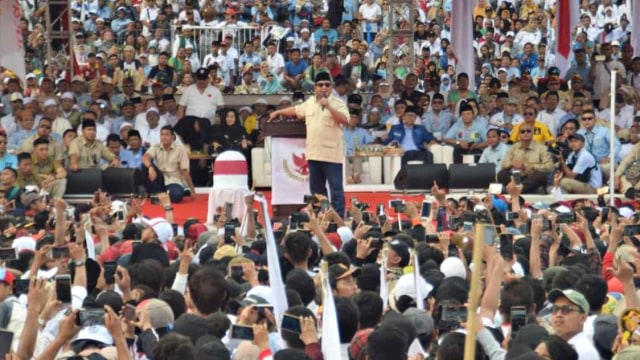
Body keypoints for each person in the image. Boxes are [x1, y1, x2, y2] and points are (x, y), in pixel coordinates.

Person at [268, 71, 349, 217]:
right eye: (320, 85)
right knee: (317, 192)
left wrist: (329, 107)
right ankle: (323, 216)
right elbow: (296, 110)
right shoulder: (310, 102)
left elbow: (345, 120)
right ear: (315, 88)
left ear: (331, 87)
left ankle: (338, 221)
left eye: (327, 85)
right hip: (314, 154)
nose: (324, 87)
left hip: (332, 155)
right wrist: (278, 113)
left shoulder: (338, 103)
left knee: (335, 190)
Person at [139, 125, 196, 203]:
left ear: (172, 137)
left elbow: (184, 171)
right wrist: (150, 167)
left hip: (173, 180)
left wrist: (192, 190)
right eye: (162, 134)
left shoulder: (180, 149)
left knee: (177, 195)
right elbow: (145, 157)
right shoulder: (156, 147)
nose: (164, 137)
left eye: (166, 135)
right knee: (145, 165)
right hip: (159, 179)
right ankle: (160, 194)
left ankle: (160, 195)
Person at [498, 122, 554, 193]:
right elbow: (503, 165)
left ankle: (518, 190)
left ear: (532, 133)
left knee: (540, 175)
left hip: (532, 177)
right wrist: (512, 163)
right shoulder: (513, 147)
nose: (525, 133)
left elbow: (550, 167)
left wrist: (533, 166)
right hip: (517, 177)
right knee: (501, 174)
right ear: (519, 134)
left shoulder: (542, 148)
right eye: (522, 131)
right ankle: (520, 189)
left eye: (528, 131)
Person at [548, 289, 600, 360]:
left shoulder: (583, 352)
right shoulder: (550, 346)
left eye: (566, 309)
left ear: (583, 318)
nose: (558, 314)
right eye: (555, 309)